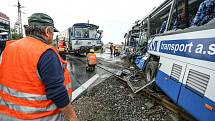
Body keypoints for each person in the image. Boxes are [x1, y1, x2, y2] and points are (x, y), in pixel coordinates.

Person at [0, 13, 78, 121]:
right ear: (47, 32)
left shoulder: (8, 49)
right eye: (52, 32)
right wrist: (73, 117)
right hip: (38, 117)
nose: (53, 36)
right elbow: (57, 92)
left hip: (6, 116)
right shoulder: (46, 53)